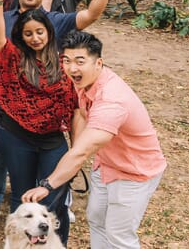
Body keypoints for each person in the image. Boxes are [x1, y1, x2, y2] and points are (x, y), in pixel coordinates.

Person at [23, 30, 166, 249]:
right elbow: (81, 113)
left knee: (119, 235)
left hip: (133, 173)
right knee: (97, 220)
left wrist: (47, 185)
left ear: (98, 63)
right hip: (106, 165)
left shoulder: (111, 101)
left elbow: (82, 152)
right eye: (67, 61)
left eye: (80, 61)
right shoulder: (85, 82)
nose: (72, 68)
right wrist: (77, 147)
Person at [0, 0, 77, 244]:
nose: (35, 38)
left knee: (54, 198)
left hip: (52, 139)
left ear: (49, 32)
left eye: (39, 32)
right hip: (16, 136)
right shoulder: (13, 58)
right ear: (21, 36)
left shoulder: (64, 63)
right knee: (22, 198)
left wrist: (76, 146)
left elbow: (74, 107)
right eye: (28, 34)